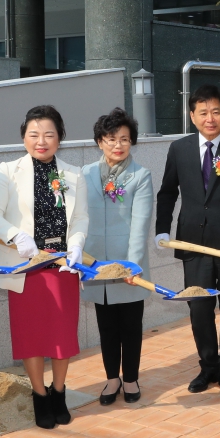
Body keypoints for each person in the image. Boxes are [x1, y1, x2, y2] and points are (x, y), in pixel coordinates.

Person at [0, 105, 88, 429]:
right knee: (31, 335)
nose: (41, 141)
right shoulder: (8, 171)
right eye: (34, 134)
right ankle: (39, 395)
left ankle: (59, 391)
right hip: (26, 267)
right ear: (24, 137)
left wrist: (77, 244)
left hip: (62, 266)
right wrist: (17, 236)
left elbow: (80, 218)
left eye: (49, 135)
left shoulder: (73, 174)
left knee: (62, 335)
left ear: (60, 138)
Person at [155, 84, 220, 399]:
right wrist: (162, 228)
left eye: (216, 111)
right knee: (199, 309)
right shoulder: (179, 149)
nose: (209, 118)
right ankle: (208, 367)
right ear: (192, 115)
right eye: (203, 112)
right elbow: (168, 192)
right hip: (193, 244)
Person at [81, 108, 154, 406]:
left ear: (132, 141)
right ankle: (112, 379)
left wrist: (132, 266)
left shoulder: (141, 176)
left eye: (124, 138)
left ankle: (131, 378)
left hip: (127, 265)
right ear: (100, 141)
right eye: (111, 139)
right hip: (96, 264)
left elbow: (140, 224)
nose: (118, 145)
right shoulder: (85, 174)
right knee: (107, 327)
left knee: (131, 326)